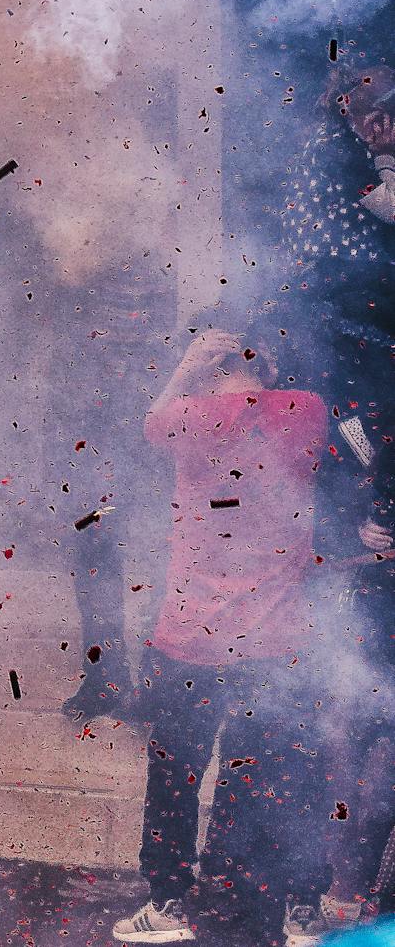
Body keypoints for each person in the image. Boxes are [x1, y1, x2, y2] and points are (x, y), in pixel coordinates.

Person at [112, 312, 327, 946]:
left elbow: (151, 422)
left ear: (208, 367)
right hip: (277, 640)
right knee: (290, 774)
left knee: (176, 774)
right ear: (267, 363)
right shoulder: (307, 411)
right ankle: (300, 911)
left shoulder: (186, 417)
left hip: (190, 639)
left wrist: (188, 370)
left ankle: (170, 905)